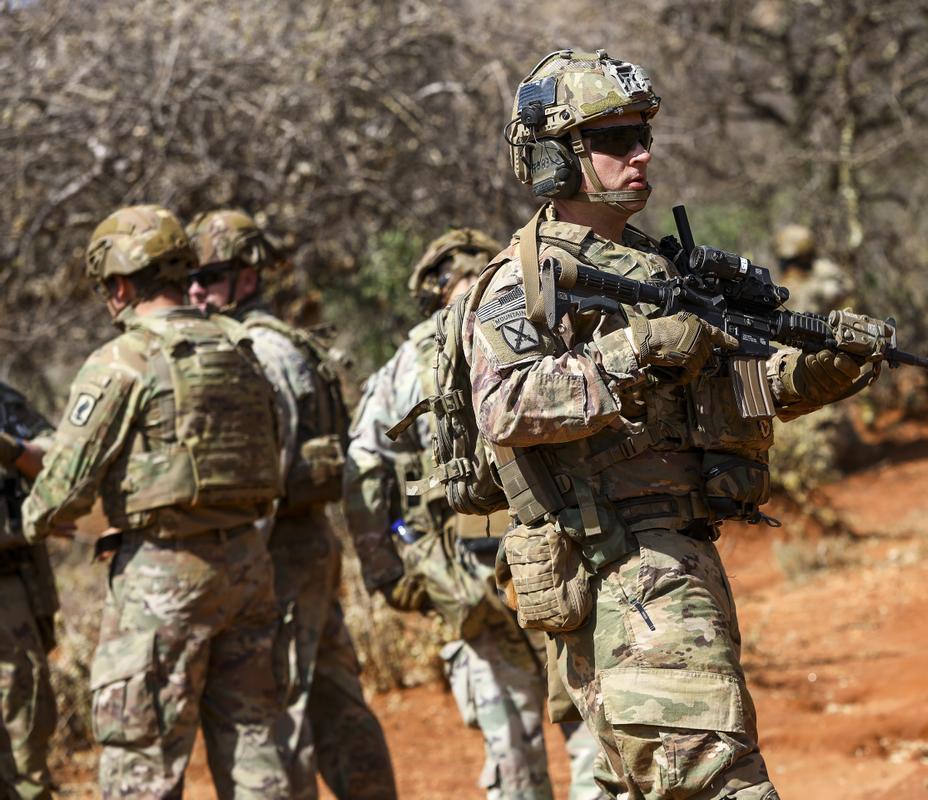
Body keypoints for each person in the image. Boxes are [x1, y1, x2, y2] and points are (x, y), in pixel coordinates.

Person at [469, 49, 874, 799]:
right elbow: (505, 406)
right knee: (718, 782)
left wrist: (820, 372)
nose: (642, 153)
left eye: (643, 134)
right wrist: (633, 350)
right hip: (617, 566)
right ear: (560, 157)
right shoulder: (524, 283)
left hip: (679, 559)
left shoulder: (657, 267)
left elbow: (732, 392)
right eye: (616, 140)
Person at [22, 205, 290, 798]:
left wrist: (31, 516)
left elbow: (61, 488)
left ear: (118, 284)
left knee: (140, 756)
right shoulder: (239, 346)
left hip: (163, 578)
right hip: (250, 565)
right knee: (255, 747)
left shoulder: (124, 359)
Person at [344, 227, 602, 800]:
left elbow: (365, 468)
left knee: (516, 742)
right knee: (583, 722)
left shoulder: (406, 362)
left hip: (476, 575)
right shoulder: (540, 326)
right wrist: (398, 545)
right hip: (549, 558)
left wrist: (394, 553)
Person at [186, 209, 395, 800]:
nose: (196, 290)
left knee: (284, 713)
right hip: (310, 547)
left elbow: (267, 473)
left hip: (276, 555)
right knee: (336, 700)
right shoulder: (285, 341)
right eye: (189, 279)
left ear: (246, 276)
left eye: (210, 275)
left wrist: (237, 568)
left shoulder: (251, 351)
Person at [769, 225, 862, 499]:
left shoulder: (779, 290)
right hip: (813, 372)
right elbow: (844, 286)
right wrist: (823, 266)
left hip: (786, 374)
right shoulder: (819, 286)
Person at [0, 383, 59, 800]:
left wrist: (10, 448)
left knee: (24, 715)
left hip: (7, 584)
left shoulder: (4, 401)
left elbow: (59, 457)